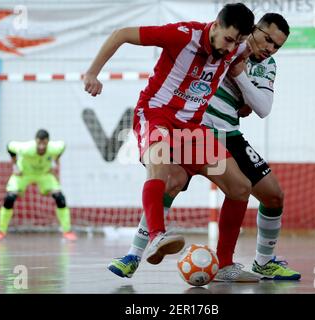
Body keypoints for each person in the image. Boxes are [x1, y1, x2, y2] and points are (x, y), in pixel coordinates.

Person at [108, 13, 300, 281]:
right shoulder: (221, 44)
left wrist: (242, 80)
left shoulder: (265, 64)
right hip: (196, 130)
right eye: (267, 39)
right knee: (170, 181)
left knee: (272, 195)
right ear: (252, 31)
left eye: (277, 46)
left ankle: (261, 262)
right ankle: (134, 255)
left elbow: (261, 108)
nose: (270, 48)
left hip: (229, 135)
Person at [84, 3, 255, 265]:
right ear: (216, 25)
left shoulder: (239, 48)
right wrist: (93, 73)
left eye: (238, 42)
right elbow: (121, 34)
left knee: (240, 188)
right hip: (156, 115)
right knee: (161, 168)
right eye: (229, 39)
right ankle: (155, 236)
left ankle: (224, 264)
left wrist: (246, 100)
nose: (231, 48)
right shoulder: (182, 35)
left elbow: (251, 50)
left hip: (192, 130)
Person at [0, 129, 77, 241]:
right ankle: (1, 231)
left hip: (44, 174)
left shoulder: (54, 148)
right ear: (35, 141)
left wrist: (56, 159)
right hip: (24, 174)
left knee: (60, 197)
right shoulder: (26, 148)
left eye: (44, 143)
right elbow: (9, 146)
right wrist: (15, 166)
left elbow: (63, 146)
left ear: (48, 142)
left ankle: (67, 231)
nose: (41, 147)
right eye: (39, 143)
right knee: (9, 198)